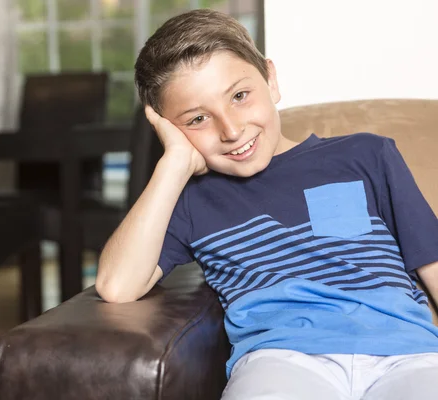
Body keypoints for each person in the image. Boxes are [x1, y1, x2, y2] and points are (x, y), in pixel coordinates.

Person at [95, 8, 438, 400]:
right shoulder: (190, 199)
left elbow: (433, 266)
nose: (231, 129)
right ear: (170, 130)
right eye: (197, 119)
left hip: (408, 355)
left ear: (271, 80)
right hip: (283, 359)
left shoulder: (367, 155)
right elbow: (117, 285)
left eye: (240, 96)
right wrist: (173, 163)